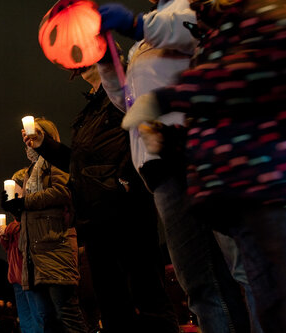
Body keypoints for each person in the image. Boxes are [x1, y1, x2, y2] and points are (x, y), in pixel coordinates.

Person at [124, 0, 286, 330]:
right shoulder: (214, 30)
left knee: (267, 287)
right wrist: (170, 139)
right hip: (227, 183)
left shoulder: (253, 19)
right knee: (257, 288)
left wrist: (164, 100)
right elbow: (213, 117)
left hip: (262, 182)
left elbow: (233, 82)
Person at [96, 0, 252, 331]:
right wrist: (109, 66)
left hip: (206, 152)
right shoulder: (142, 41)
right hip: (161, 166)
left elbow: (202, 29)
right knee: (198, 282)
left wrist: (139, 25)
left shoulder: (196, 6)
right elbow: (130, 104)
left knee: (248, 266)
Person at [23, 64, 178, 333]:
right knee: (113, 303)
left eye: (91, 55)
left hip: (127, 212)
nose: (82, 64)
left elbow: (143, 138)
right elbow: (78, 165)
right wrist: (44, 144)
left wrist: (125, 181)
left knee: (147, 296)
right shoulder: (87, 114)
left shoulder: (127, 96)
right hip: (95, 219)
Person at [2, 118, 87, 332]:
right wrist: (14, 206)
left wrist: (25, 201)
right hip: (35, 253)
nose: (27, 142)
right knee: (47, 319)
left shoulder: (56, 162)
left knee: (66, 314)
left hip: (55, 247)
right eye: (25, 138)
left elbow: (62, 192)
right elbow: (31, 212)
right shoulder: (31, 172)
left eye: (33, 135)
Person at [0, 169, 39, 333]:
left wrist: (9, 229)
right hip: (16, 276)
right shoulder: (15, 219)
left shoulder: (27, 212)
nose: (11, 192)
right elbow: (9, 248)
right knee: (26, 321)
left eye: (15, 187)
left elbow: (25, 234)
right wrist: (3, 236)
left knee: (36, 318)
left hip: (28, 274)